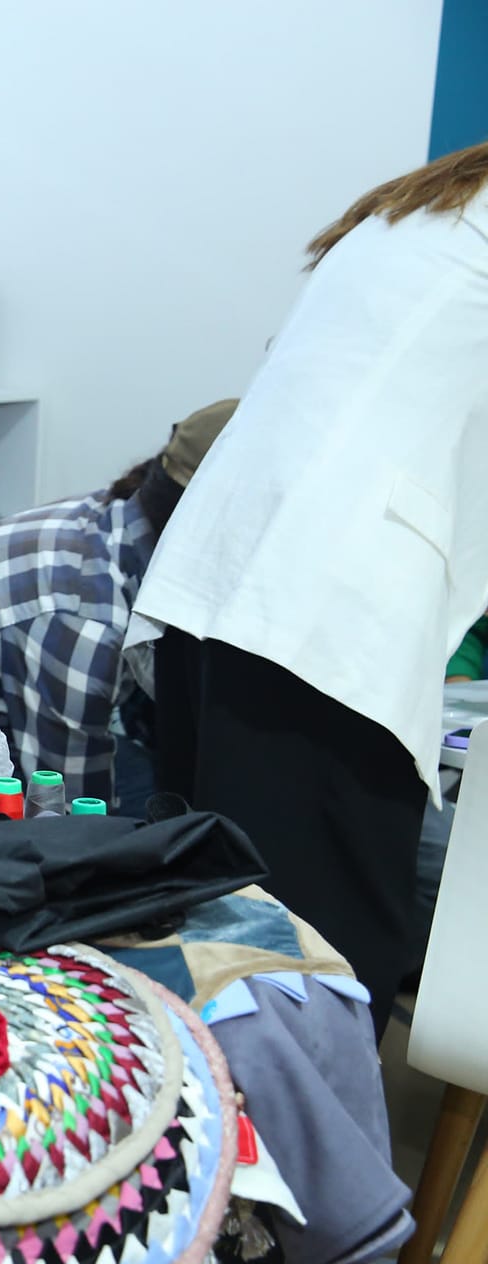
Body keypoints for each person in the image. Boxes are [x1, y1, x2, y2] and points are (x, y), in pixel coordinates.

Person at [130, 141, 488, 1036]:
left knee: (223, 934)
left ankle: (214, 1121)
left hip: (228, 586)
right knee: (314, 963)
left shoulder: (436, 205)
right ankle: (296, 1126)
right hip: (325, 615)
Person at [0, 400, 237, 810]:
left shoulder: (120, 521)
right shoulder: (83, 616)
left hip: (8, 718)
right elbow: (71, 812)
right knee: (181, 811)